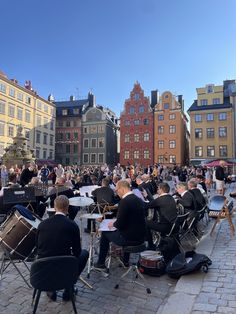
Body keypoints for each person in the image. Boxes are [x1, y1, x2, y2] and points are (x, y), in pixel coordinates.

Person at [36, 195, 89, 301]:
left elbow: (38, 247)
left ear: (54, 207)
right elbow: (77, 252)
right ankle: (68, 287)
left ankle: (50, 288)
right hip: (64, 266)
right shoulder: (72, 225)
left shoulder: (42, 225)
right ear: (67, 208)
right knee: (84, 253)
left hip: (44, 267)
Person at [95, 180, 146, 269]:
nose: (116, 193)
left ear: (122, 189)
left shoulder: (125, 201)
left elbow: (120, 224)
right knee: (127, 229)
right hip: (141, 237)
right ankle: (125, 261)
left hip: (129, 239)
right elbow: (131, 218)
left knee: (105, 233)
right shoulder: (138, 199)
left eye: (116, 190)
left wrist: (113, 224)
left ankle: (101, 263)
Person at [145, 182, 177, 250]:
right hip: (174, 225)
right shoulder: (170, 197)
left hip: (166, 227)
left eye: (158, 189)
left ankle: (151, 245)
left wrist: (145, 197)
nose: (157, 190)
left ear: (161, 189)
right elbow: (154, 203)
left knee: (145, 222)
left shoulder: (161, 199)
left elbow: (148, 205)